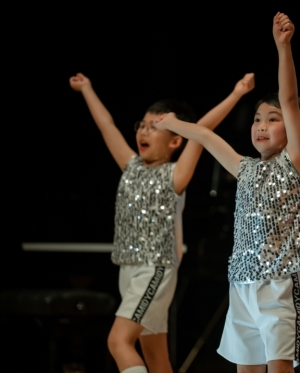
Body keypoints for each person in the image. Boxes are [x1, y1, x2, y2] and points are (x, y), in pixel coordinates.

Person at [154, 13, 300, 373]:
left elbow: (289, 98)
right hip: (241, 284)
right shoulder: (245, 168)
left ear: (295, 128)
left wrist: (283, 47)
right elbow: (206, 136)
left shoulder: (294, 162)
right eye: (257, 119)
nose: (261, 126)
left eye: (272, 119)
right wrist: (173, 123)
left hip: (277, 284)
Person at [69, 72, 255, 373]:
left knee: (118, 341)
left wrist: (236, 94)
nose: (144, 132)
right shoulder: (130, 166)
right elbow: (107, 126)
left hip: (154, 268)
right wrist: (87, 88)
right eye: (142, 125)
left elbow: (203, 129)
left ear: (175, 140)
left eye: (154, 127)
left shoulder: (174, 176)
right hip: (128, 270)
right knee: (156, 358)